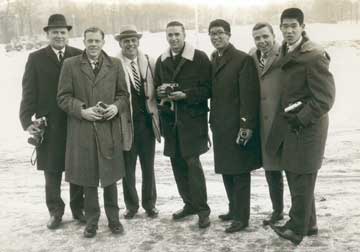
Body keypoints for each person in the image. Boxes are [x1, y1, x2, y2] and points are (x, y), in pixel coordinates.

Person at [267, 8, 335, 245]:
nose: (288, 30)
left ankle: (297, 228)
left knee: (302, 176)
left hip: (309, 126)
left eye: (293, 26)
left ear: (303, 27)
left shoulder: (314, 55)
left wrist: (302, 117)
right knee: (297, 175)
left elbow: (325, 98)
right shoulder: (285, 50)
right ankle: (310, 224)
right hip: (291, 124)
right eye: (284, 26)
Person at [57, 26, 132, 238]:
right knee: (88, 178)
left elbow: (124, 95)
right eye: (89, 40)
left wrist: (116, 107)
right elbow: (62, 97)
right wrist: (82, 110)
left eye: (96, 41)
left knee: (110, 177)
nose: (93, 44)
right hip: (82, 130)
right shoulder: (70, 65)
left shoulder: (115, 65)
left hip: (108, 129)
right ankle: (91, 222)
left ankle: (114, 220)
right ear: (83, 41)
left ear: (103, 42)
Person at [19, 14, 84, 230]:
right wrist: (26, 119)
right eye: (54, 32)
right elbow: (28, 91)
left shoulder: (78, 55)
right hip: (49, 123)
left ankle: (78, 208)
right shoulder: (35, 58)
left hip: (75, 120)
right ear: (47, 34)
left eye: (62, 32)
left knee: (76, 166)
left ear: (68, 34)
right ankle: (55, 211)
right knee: (52, 169)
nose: (59, 36)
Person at [154, 21, 211, 229]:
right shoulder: (162, 60)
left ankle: (203, 210)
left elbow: (208, 89)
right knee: (177, 164)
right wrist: (160, 91)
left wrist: (186, 95)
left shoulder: (200, 57)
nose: (174, 39)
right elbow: (157, 87)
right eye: (170, 35)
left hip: (193, 121)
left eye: (177, 35)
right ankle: (189, 204)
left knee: (193, 164)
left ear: (184, 35)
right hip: (171, 121)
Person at [208, 19, 261, 233]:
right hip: (220, 125)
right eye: (212, 34)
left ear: (229, 35)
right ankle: (233, 209)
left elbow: (249, 96)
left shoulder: (242, 60)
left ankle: (242, 217)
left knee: (239, 171)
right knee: (226, 170)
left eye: (220, 33)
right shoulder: (214, 59)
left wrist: (246, 125)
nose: (216, 37)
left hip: (237, 125)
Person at [115, 25, 161, 219]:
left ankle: (150, 204)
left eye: (133, 40)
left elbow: (156, 89)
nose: (130, 44)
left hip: (147, 124)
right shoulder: (114, 64)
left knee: (148, 166)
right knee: (128, 168)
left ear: (138, 42)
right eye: (126, 41)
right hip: (126, 124)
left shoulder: (149, 61)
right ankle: (131, 206)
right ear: (120, 43)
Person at [249, 22, 284, 226]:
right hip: (262, 122)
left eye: (265, 36)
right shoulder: (252, 55)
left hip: (282, 121)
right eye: (257, 38)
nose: (262, 41)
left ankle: (303, 214)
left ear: (273, 35)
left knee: (294, 171)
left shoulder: (285, 53)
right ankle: (277, 211)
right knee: (271, 170)